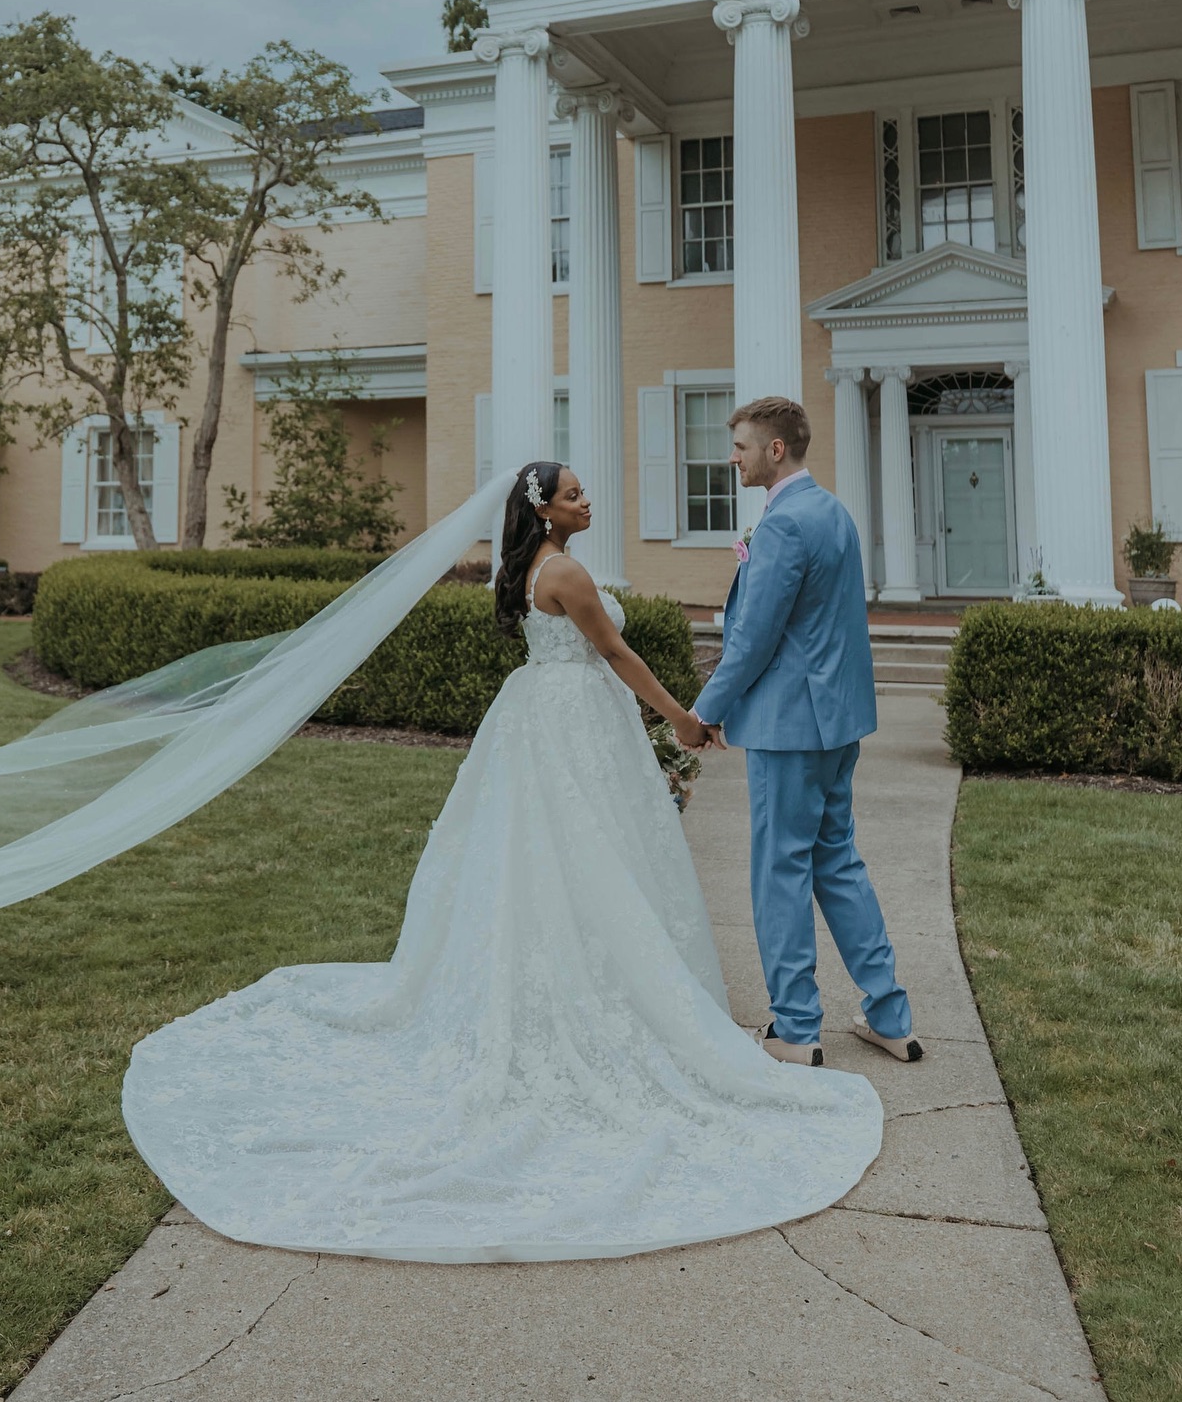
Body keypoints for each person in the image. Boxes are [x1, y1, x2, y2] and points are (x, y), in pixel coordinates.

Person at [119, 461, 883, 1262]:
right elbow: (618, 655)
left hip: (540, 714)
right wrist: (684, 720)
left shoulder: (526, 569)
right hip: (579, 718)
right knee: (587, 855)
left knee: (546, 859)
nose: (588, 501)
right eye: (575, 494)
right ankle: (597, 993)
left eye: (586, 490)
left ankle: (564, 974)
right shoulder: (568, 573)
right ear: (544, 509)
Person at [692, 397, 921, 1070]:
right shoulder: (829, 512)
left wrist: (704, 711)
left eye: (739, 445)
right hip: (836, 721)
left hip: (791, 725)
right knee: (835, 859)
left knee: (780, 870)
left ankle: (795, 1027)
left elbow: (753, 640)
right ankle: (890, 1016)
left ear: (776, 450)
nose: (731, 456)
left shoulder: (787, 523)